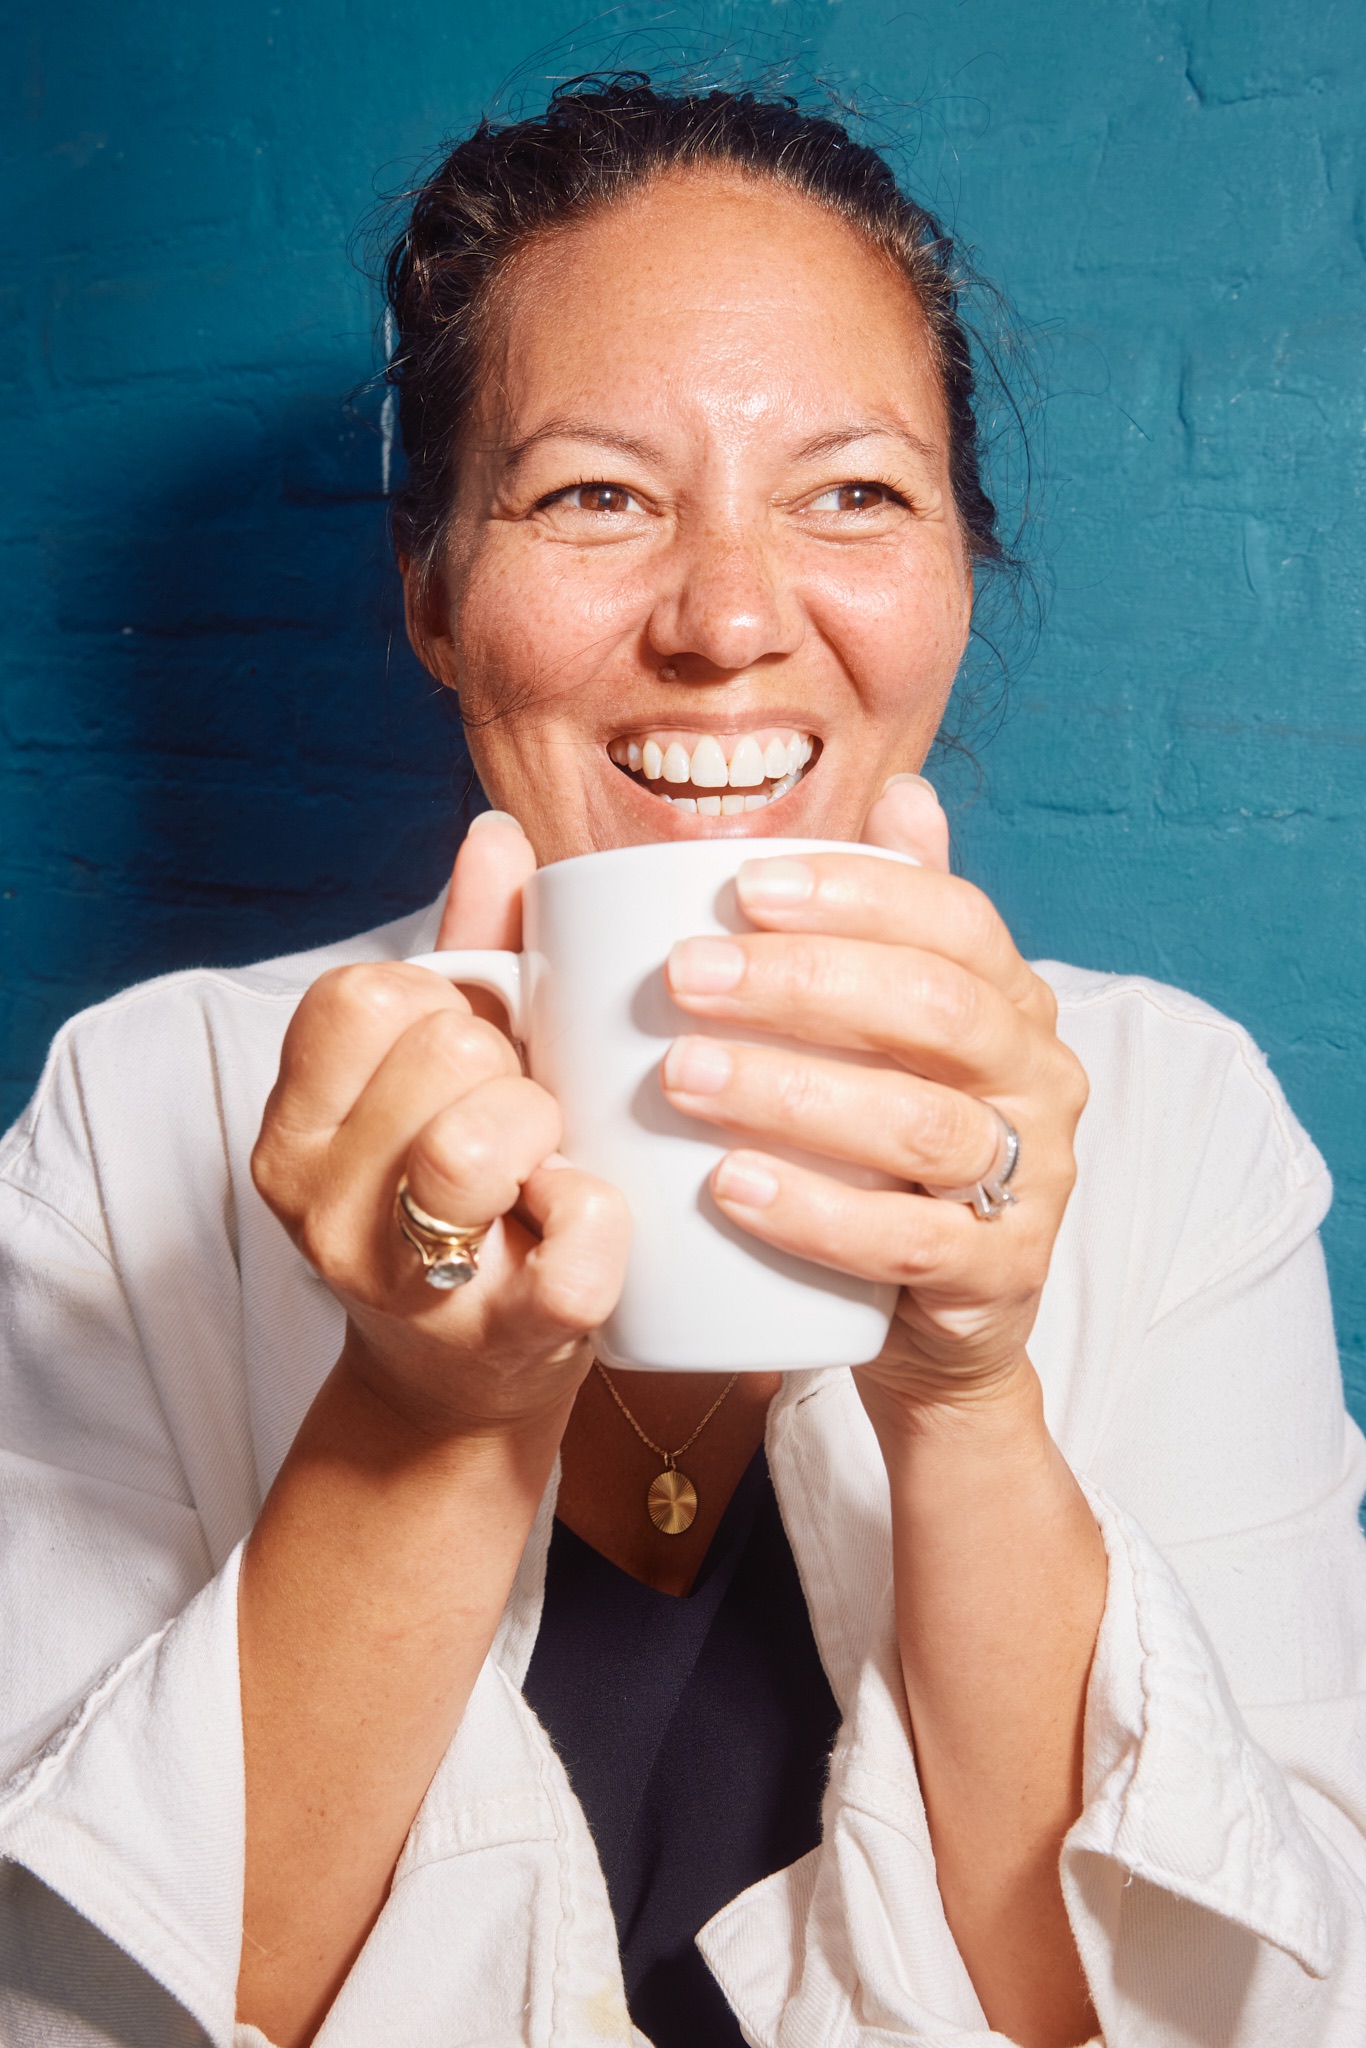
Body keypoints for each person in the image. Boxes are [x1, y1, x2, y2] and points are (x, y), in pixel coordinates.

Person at [1, 76, 1364, 2048]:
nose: (729, 620)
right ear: (432, 600)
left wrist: (966, 1389)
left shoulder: (1174, 1119)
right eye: (590, 495)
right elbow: (79, 2003)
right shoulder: (144, 1121)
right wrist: (428, 1410)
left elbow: (1204, 2004)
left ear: (956, 584)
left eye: (850, 493)